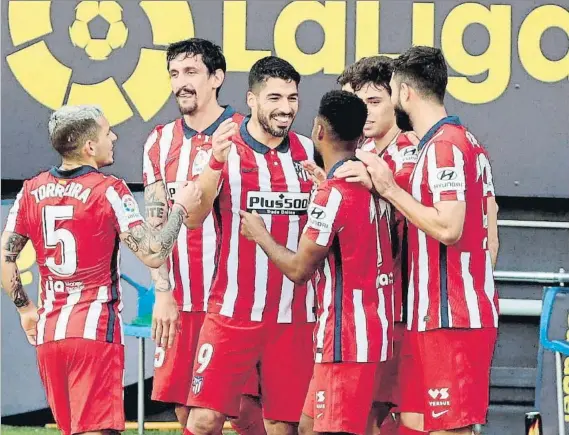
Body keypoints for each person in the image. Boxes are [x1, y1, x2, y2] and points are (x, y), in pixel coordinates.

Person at [0, 105, 201, 435]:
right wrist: (180, 210)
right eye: (108, 132)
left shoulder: (30, 190)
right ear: (89, 147)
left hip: (50, 338)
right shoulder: (108, 189)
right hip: (94, 336)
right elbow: (152, 253)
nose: (114, 137)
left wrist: (25, 309)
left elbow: (6, 258)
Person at [357, 46, 500, 435]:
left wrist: (389, 189)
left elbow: (449, 228)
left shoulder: (444, 146)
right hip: (436, 315)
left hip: (451, 318)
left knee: (449, 429)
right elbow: (491, 226)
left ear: (405, 93)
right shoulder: (454, 142)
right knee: (417, 422)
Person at [240, 89, 394, 435]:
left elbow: (299, 269)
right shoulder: (370, 185)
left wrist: (260, 234)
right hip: (370, 330)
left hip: (347, 338)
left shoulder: (335, 194)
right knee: (309, 426)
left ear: (319, 131)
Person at [183, 56, 316, 435]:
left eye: (292, 98)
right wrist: (213, 164)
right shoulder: (223, 147)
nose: (285, 107)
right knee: (205, 419)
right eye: (274, 97)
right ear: (252, 100)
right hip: (233, 312)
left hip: (294, 317)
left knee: (282, 425)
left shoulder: (310, 151)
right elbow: (193, 217)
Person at [142, 38, 262, 432]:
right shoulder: (159, 141)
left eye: (191, 72)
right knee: (184, 412)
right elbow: (156, 224)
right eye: (174, 74)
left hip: (235, 302)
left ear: (217, 78)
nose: (181, 83)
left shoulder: (248, 133)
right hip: (181, 300)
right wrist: (162, 292)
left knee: (239, 413)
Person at [338, 55, 419, 435]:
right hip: (369, 314)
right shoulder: (361, 156)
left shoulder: (415, 152)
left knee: (406, 419)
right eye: (357, 104)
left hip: (407, 313)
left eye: (374, 102)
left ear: (397, 101)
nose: (364, 113)